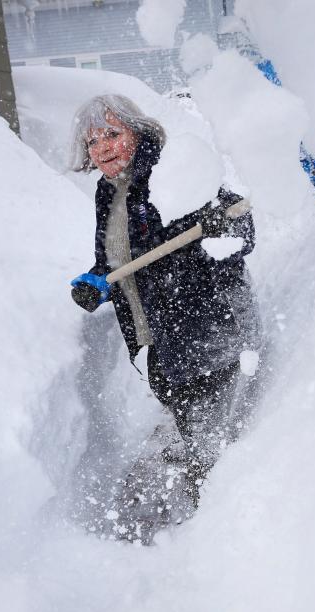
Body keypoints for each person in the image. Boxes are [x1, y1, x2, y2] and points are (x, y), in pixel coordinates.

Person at [68, 94, 259, 509]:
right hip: (155, 333)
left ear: (136, 131)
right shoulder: (108, 193)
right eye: (92, 141)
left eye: (112, 134)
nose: (101, 148)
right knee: (184, 410)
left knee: (211, 435)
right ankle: (205, 481)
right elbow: (112, 258)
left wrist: (217, 225)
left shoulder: (170, 171)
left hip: (205, 327)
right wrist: (96, 281)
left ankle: (217, 513)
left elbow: (241, 225)